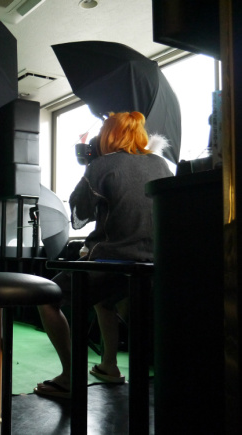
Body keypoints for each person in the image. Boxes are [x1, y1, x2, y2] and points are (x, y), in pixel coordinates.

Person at [34, 112, 173, 398]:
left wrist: (90, 169)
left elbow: (78, 216)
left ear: (108, 136)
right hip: (153, 263)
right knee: (103, 300)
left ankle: (69, 377)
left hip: (114, 259)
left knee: (46, 299)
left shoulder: (103, 164)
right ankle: (109, 365)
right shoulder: (160, 163)